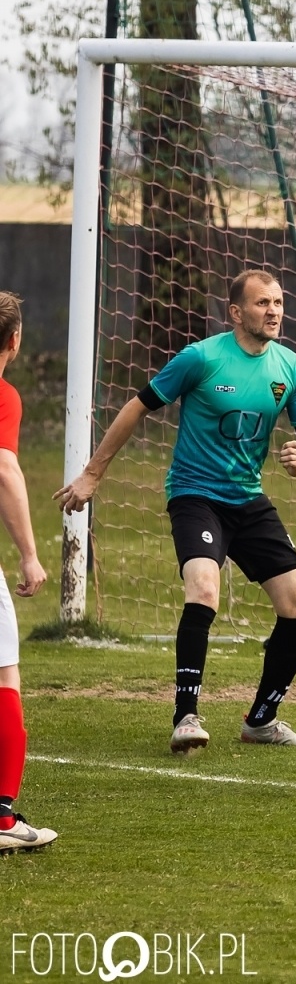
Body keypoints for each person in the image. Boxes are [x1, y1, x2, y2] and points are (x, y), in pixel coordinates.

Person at [57, 271, 296, 753]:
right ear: (236, 312)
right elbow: (138, 406)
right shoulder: (200, 359)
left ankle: (261, 721)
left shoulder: (291, 367)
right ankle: (186, 716)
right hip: (196, 495)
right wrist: (93, 473)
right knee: (204, 587)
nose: (275, 311)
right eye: (262, 302)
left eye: (280, 302)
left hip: (248, 498)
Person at [0, 292, 55, 851]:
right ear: (14, 341)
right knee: (4, 677)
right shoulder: (4, 395)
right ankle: (2, 818)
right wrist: (30, 554)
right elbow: (5, 467)